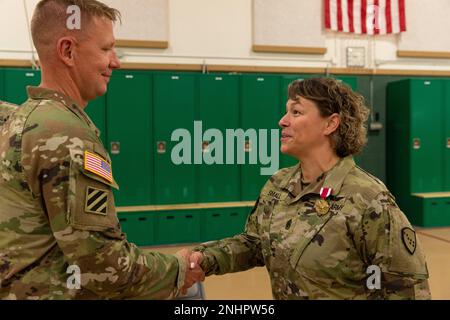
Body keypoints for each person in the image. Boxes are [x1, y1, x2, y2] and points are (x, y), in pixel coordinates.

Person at [0, 0, 203, 300]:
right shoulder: (65, 133)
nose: (116, 61)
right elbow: (108, 269)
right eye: (106, 49)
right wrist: (178, 268)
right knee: (192, 294)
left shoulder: (20, 119)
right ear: (67, 51)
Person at [189, 77, 431, 300]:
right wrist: (205, 258)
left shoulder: (367, 198)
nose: (282, 121)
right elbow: (254, 244)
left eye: (296, 112)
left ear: (330, 123)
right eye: (286, 112)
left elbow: (406, 288)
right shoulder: (278, 184)